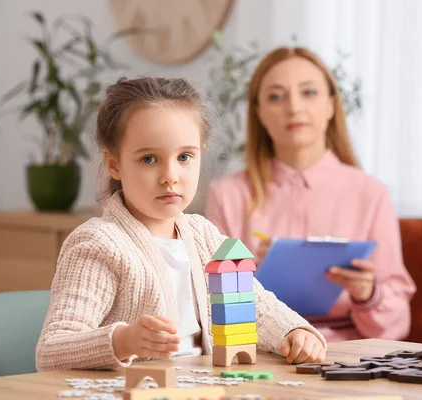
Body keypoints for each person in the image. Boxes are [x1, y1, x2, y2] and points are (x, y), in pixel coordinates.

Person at [35, 77, 327, 371]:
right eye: (149, 159)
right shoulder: (99, 244)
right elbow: (51, 351)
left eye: (184, 156)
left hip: (205, 386)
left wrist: (293, 331)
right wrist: (123, 341)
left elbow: (254, 305)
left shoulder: (204, 235)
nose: (170, 175)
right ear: (114, 164)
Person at [205, 47, 417, 342]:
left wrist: (367, 293)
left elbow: (396, 326)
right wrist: (249, 280)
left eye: (309, 93)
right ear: (259, 113)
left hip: (349, 356)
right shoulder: (227, 195)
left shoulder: (371, 194)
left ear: (331, 105)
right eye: (276, 96)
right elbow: (208, 307)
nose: (294, 108)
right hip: (261, 349)